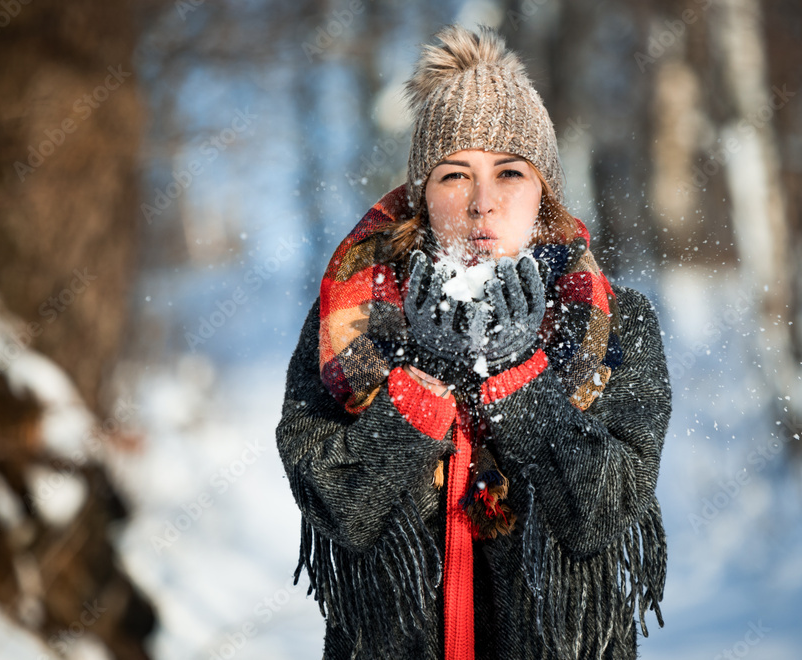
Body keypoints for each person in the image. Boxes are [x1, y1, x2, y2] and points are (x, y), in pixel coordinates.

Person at [275, 23, 672, 660]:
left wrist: (517, 379)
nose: (482, 203)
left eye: (510, 172)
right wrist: (418, 390)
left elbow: (599, 513)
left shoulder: (617, 326)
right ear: (421, 197)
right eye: (455, 175)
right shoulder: (344, 323)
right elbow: (341, 509)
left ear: (544, 192)